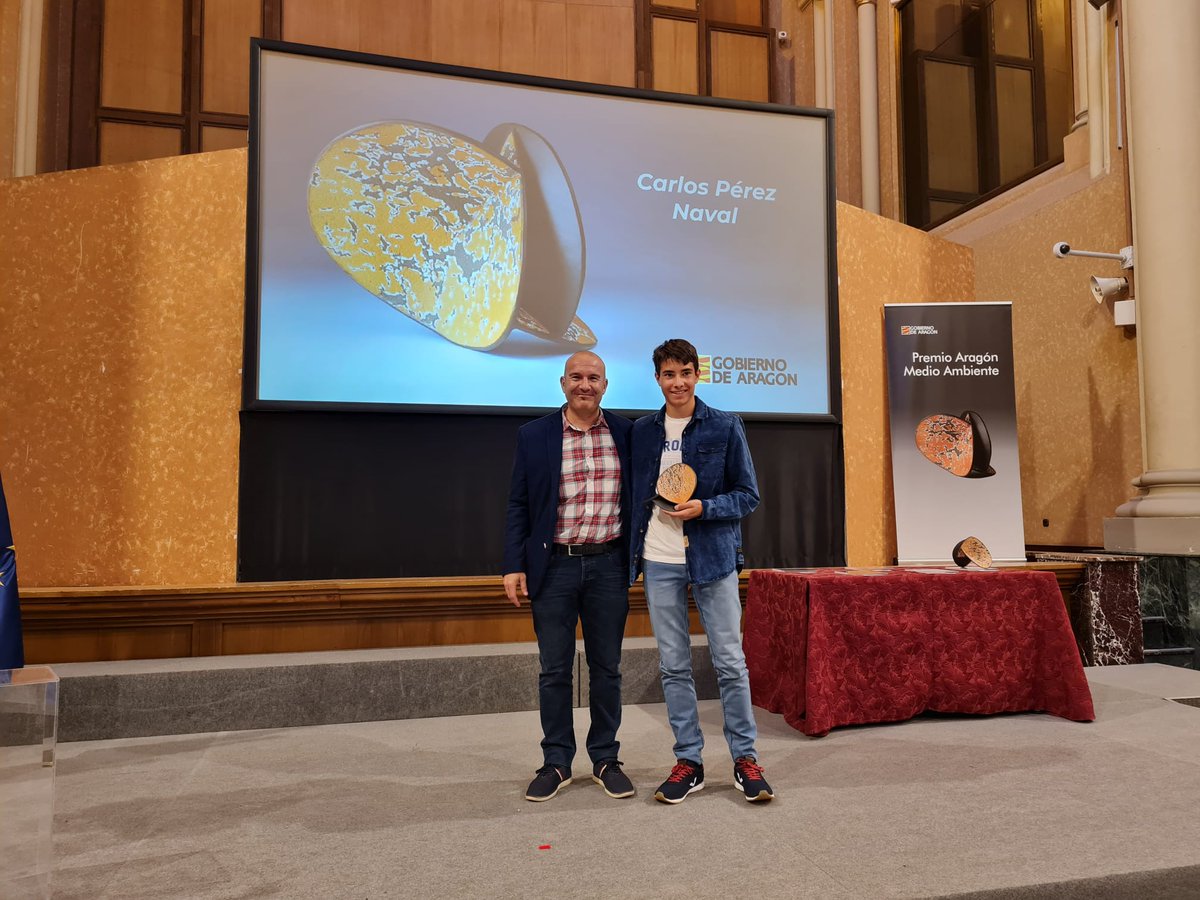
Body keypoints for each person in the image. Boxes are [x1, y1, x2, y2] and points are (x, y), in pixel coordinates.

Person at [629, 338, 774, 803]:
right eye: (669, 374)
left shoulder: (725, 427)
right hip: (659, 559)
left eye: (685, 372)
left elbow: (747, 495)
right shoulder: (643, 431)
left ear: (698, 374)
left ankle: (745, 759)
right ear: (657, 379)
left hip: (713, 558)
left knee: (730, 663)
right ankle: (688, 761)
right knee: (673, 666)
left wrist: (704, 507)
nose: (678, 382)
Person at [504, 351, 636, 802]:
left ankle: (605, 757)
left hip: (608, 566)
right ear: (563, 383)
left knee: (607, 669)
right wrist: (513, 563)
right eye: (576, 377)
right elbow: (519, 504)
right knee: (554, 670)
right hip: (553, 566)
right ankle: (556, 761)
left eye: (593, 377)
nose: (585, 384)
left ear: (606, 383)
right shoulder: (534, 435)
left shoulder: (627, 433)